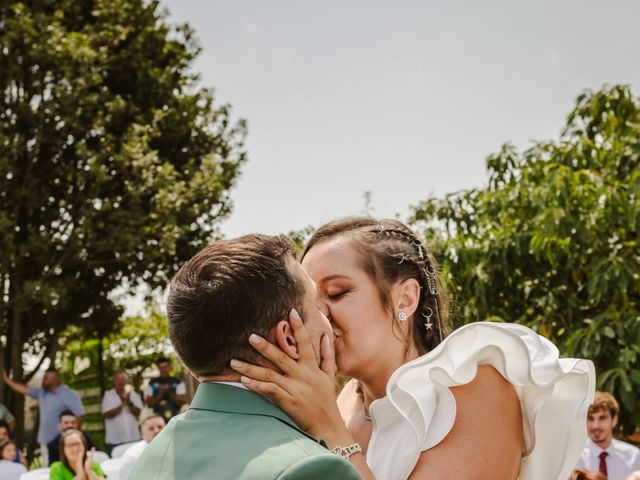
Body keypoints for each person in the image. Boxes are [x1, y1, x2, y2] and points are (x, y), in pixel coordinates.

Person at [231, 216, 596, 480]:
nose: (319, 318)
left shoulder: (475, 387)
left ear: (405, 297)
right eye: (310, 302)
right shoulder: (340, 404)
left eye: (338, 293)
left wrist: (329, 431)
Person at [129, 234, 361, 479]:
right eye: (315, 304)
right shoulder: (310, 468)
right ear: (290, 337)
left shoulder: (153, 455)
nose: (328, 317)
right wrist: (333, 431)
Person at [2, 367, 84, 466]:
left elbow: (79, 416)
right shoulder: (42, 392)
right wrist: (7, 381)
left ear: (56, 379)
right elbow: (24, 389)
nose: (43, 380)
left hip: (62, 441)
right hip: (45, 441)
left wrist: (72, 436)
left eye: (46, 377)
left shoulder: (70, 394)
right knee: (49, 468)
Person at [575, 391, 640, 480]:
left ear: (614, 420)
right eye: (590, 418)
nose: (596, 426)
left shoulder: (634, 456)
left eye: (602, 418)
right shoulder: (574, 458)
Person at [101, 371, 143, 454]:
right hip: (115, 440)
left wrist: (130, 404)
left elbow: (138, 413)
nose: (120, 382)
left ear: (126, 381)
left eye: (123, 379)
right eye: (118, 379)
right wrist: (122, 405)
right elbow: (107, 414)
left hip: (133, 438)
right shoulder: (108, 396)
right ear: (114, 381)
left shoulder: (134, 395)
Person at [118, 414, 165, 479]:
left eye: (160, 427)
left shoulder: (173, 448)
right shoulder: (133, 454)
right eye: (151, 428)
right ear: (142, 434)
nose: (157, 431)